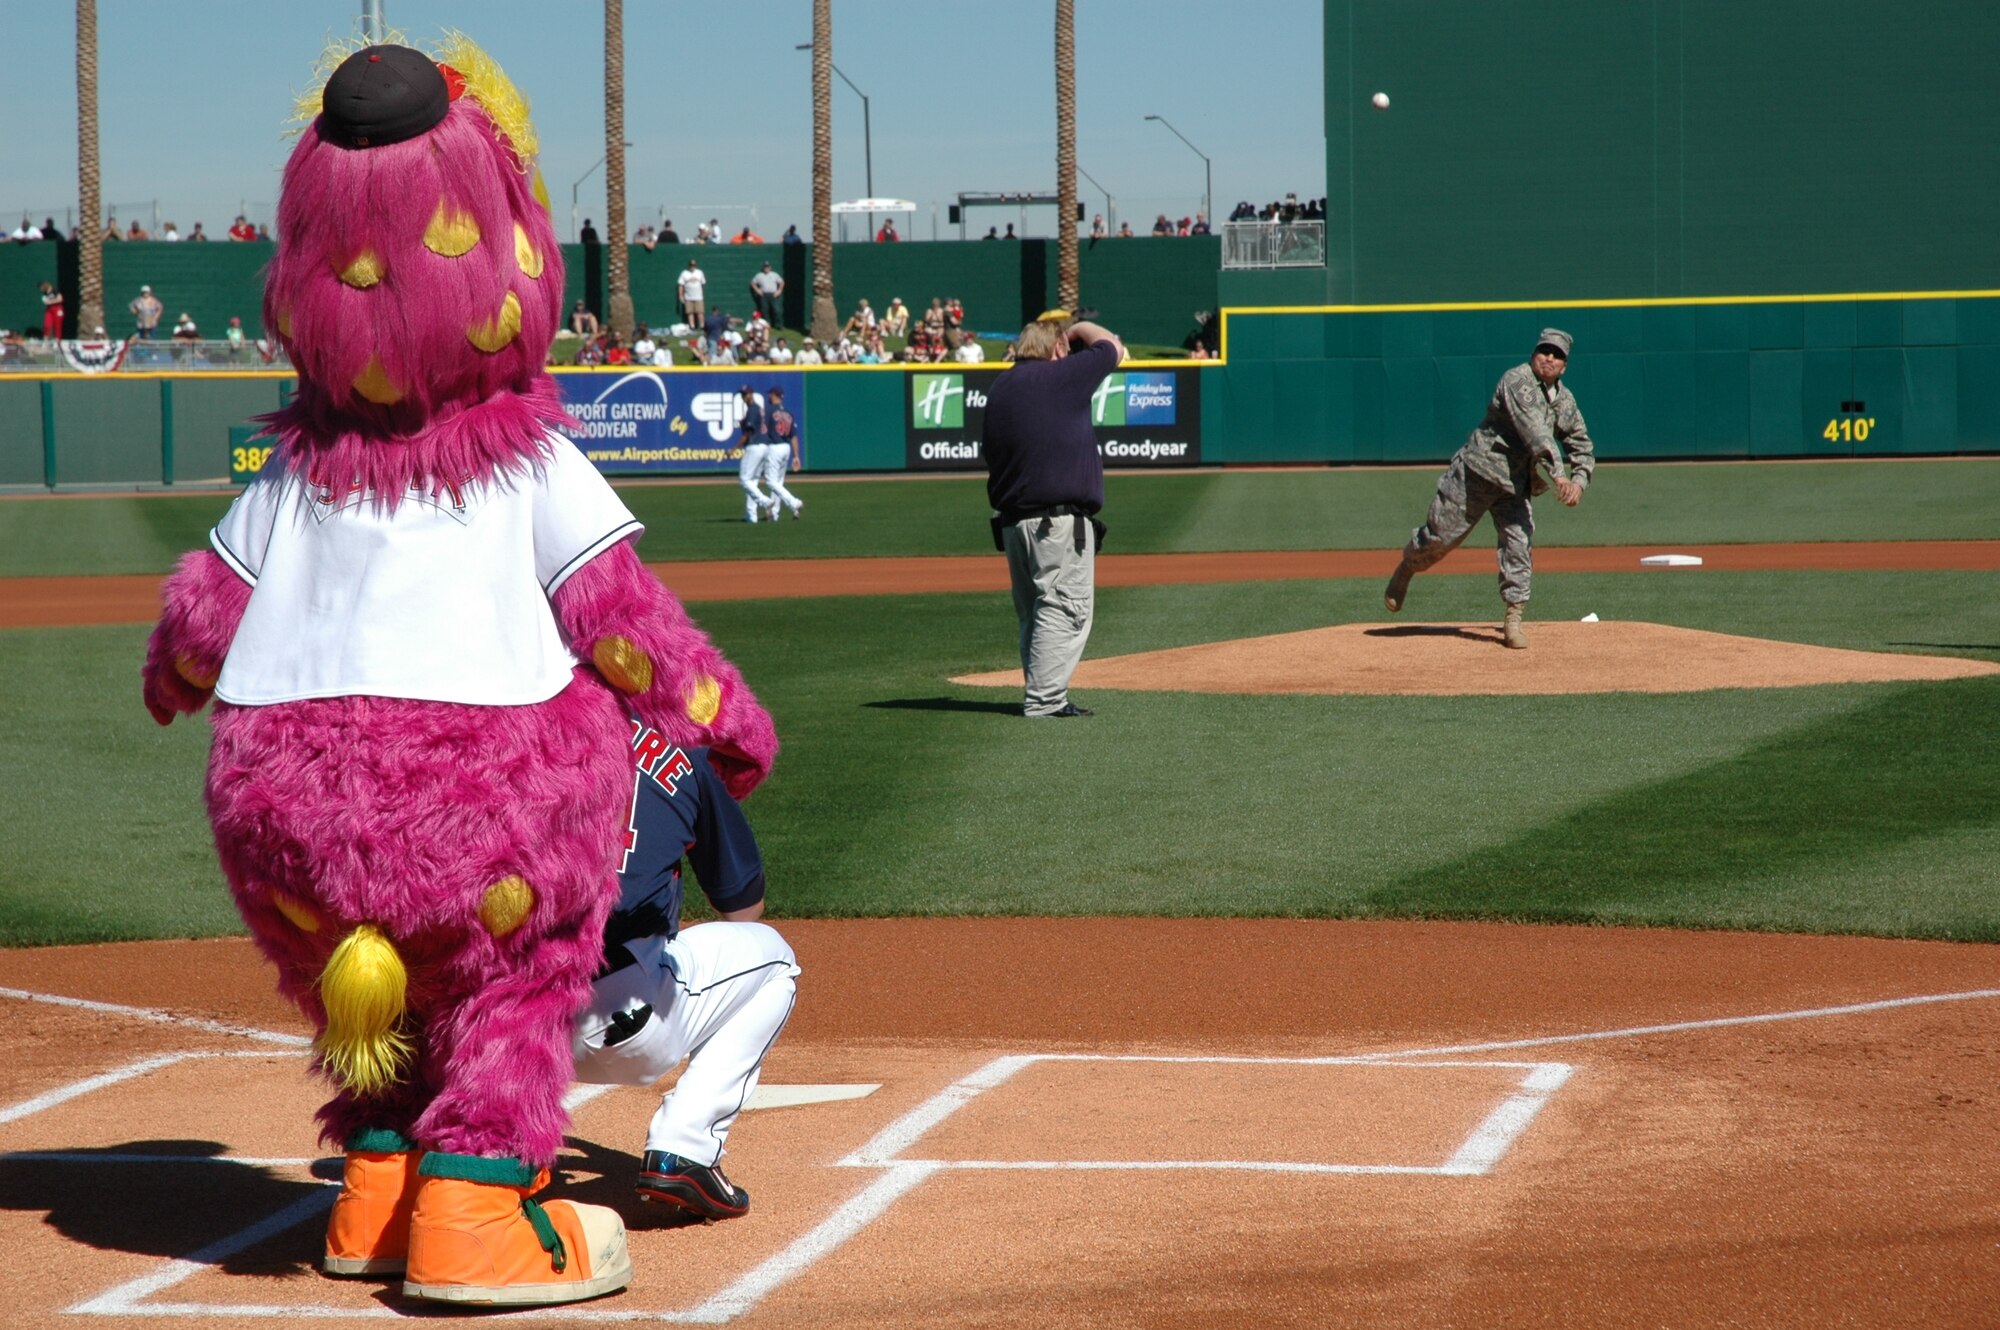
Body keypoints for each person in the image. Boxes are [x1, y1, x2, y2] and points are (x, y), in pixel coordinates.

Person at [569, 715, 798, 1224]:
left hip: (502, 1033)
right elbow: (743, 908)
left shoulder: (515, 734)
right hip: (622, 1022)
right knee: (774, 957)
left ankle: (438, 1158)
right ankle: (685, 1148)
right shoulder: (681, 750)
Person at [1384, 328, 1595, 650]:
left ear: (1564, 366)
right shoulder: (1517, 381)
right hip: (1478, 473)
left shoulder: (1564, 401)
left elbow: (1580, 442)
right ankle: (1408, 567)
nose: (1549, 358)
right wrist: (1560, 477)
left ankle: (1513, 617)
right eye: (1544, 351)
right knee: (1440, 538)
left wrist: (1579, 481)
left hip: (1515, 486)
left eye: (1557, 355)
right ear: (1534, 354)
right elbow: (1536, 434)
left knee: (1519, 545)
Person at [979, 310, 1126, 718]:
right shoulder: (1060, 377)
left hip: (1014, 524)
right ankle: (1045, 701)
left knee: (1036, 613)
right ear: (1058, 348)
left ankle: (1041, 693)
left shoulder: (1001, 386)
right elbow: (1115, 348)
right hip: (1056, 524)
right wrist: (1077, 328)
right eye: (1066, 347)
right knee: (1064, 609)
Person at [759, 386, 804, 519]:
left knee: (771, 482)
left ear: (775, 395)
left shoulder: (769, 410)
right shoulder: (788, 413)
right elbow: (794, 436)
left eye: (770, 394)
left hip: (775, 447)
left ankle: (794, 503)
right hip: (786, 447)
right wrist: (796, 456)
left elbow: (762, 429)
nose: (768, 397)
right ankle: (774, 513)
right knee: (778, 483)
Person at [736, 385, 778, 522]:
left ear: (751, 394)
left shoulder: (753, 410)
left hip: (756, 446)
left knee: (744, 480)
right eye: (742, 394)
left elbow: (748, 434)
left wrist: (733, 449)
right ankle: (751, 516)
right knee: (752, 481)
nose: (743, 396)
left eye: (745, 394)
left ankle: (765, 501)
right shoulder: (759, 409)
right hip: (765, 445)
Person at [678, 258, 707, 331]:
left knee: (700, 312)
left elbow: (703, 284)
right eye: (691, 265)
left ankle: (702, 325)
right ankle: (692, 326)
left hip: (699, 297)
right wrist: (681, 295)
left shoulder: (700, 272)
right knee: (690, 312)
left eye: (694, 265)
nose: (692, 266)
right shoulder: (684, 273)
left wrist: (702, 294)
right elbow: (681, 285)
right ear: (689, 265)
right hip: (688, 297)